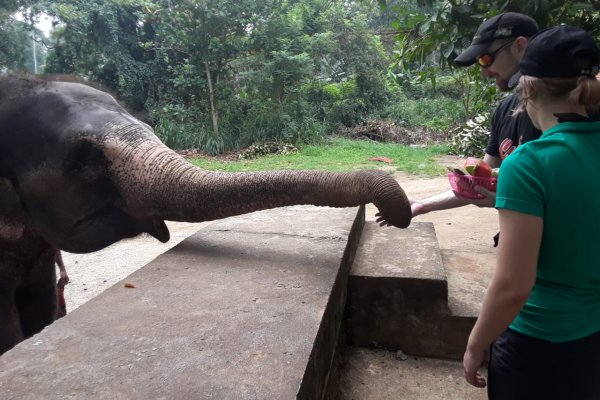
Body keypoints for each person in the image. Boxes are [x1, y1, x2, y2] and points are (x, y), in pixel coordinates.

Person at [463, 25, 600, 399]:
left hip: (536, 341)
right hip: (591, 339)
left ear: (528, 88)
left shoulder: (529, 163)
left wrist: (477, 344)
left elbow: (512, 288)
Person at [411, 12, 541, 218]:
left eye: (487, 58)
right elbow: (480, 180)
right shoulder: (505, 110)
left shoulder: (569, 115)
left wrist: (504, 201)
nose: (484, 72)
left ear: (520, 45)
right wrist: (422, 205)